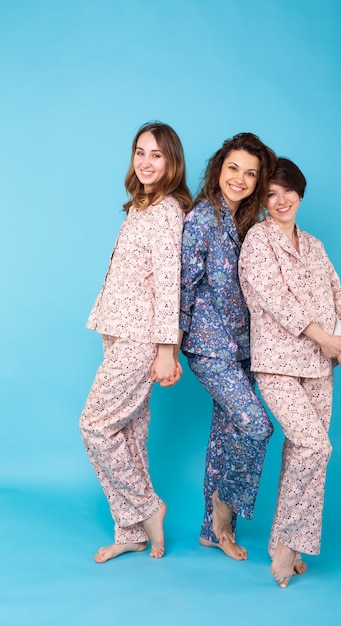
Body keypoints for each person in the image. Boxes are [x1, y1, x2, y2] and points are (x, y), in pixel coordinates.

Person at [239, 157, 341, 587]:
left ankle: (285, 536)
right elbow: (279, 301)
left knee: (302, 453)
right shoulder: (257, 242)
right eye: (270, 194)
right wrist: (326, 338)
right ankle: (287, 546)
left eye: (287, 191)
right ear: (262, 200)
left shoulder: (314, 244)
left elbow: (337, 294)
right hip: (277, 364)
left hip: (319, 366)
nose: (280, 201)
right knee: (316, 447)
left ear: (300, 192)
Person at [79, 122, 192, 563]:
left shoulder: (166, 211)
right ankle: (130, 531)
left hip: (141, 339)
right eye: (140, 152)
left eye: (156, 155)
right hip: (119, 330)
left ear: (172, 161)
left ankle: (147, 507)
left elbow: (170, 284)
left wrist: (168, 351)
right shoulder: (141, 206)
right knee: (127, 433)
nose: (145, 162)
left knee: (95, 425)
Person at [180, 132, 278, 562]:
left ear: (259, 182)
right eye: (233, 167)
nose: (239, 178)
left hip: (244, 348)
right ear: (219, 168)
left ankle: (211, 530)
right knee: (257, 425)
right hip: (208, 345)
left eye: (250, 173)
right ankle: (223, 509)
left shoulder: (251, 228)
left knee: (227, 434)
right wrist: (166, 347)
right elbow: (180, 286)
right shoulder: (202, 218)